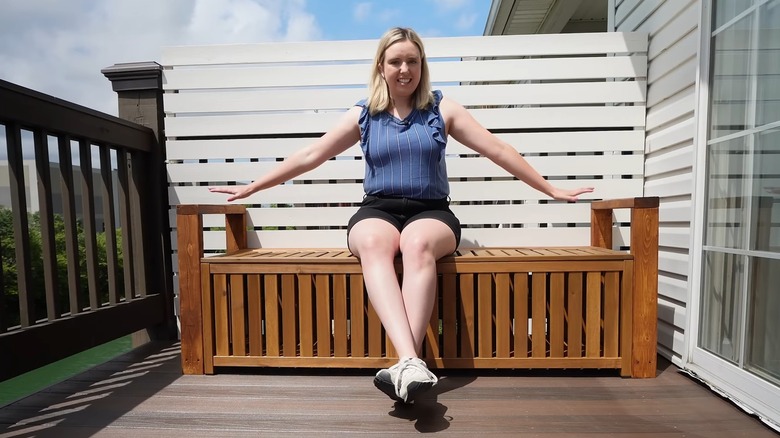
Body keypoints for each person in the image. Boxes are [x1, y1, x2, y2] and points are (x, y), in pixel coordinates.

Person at [209, 27, 594, 404]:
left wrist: (550, 189)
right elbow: (311, 155)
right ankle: (412, 363)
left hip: (432, 212)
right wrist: (253, 187)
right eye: (396, 61)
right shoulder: (363, 115)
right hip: (378, 209)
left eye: (412, 60)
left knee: (416, 242)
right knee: (375, 243)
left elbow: (498, 150)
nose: (404, 69)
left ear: (422, 65)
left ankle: (406, 364)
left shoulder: (443, 109)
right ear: (381, 66)